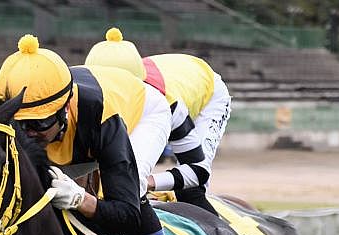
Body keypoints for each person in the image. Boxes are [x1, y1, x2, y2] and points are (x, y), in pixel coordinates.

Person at [0, 34, 194, 235]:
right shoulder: (22, 122)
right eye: (21, 125)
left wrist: (81, 200)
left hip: (141, 112)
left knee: (134, 190)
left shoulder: (101, 117)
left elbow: (127, 214)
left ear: (64, 110)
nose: (28, 134)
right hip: (85, 119)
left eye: (38, 124)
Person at [84, 28, 232, 215]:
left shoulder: (166, 104)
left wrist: (149, 182)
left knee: (190, 193)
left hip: (208, 93)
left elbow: (198, 171)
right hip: (173, 73)